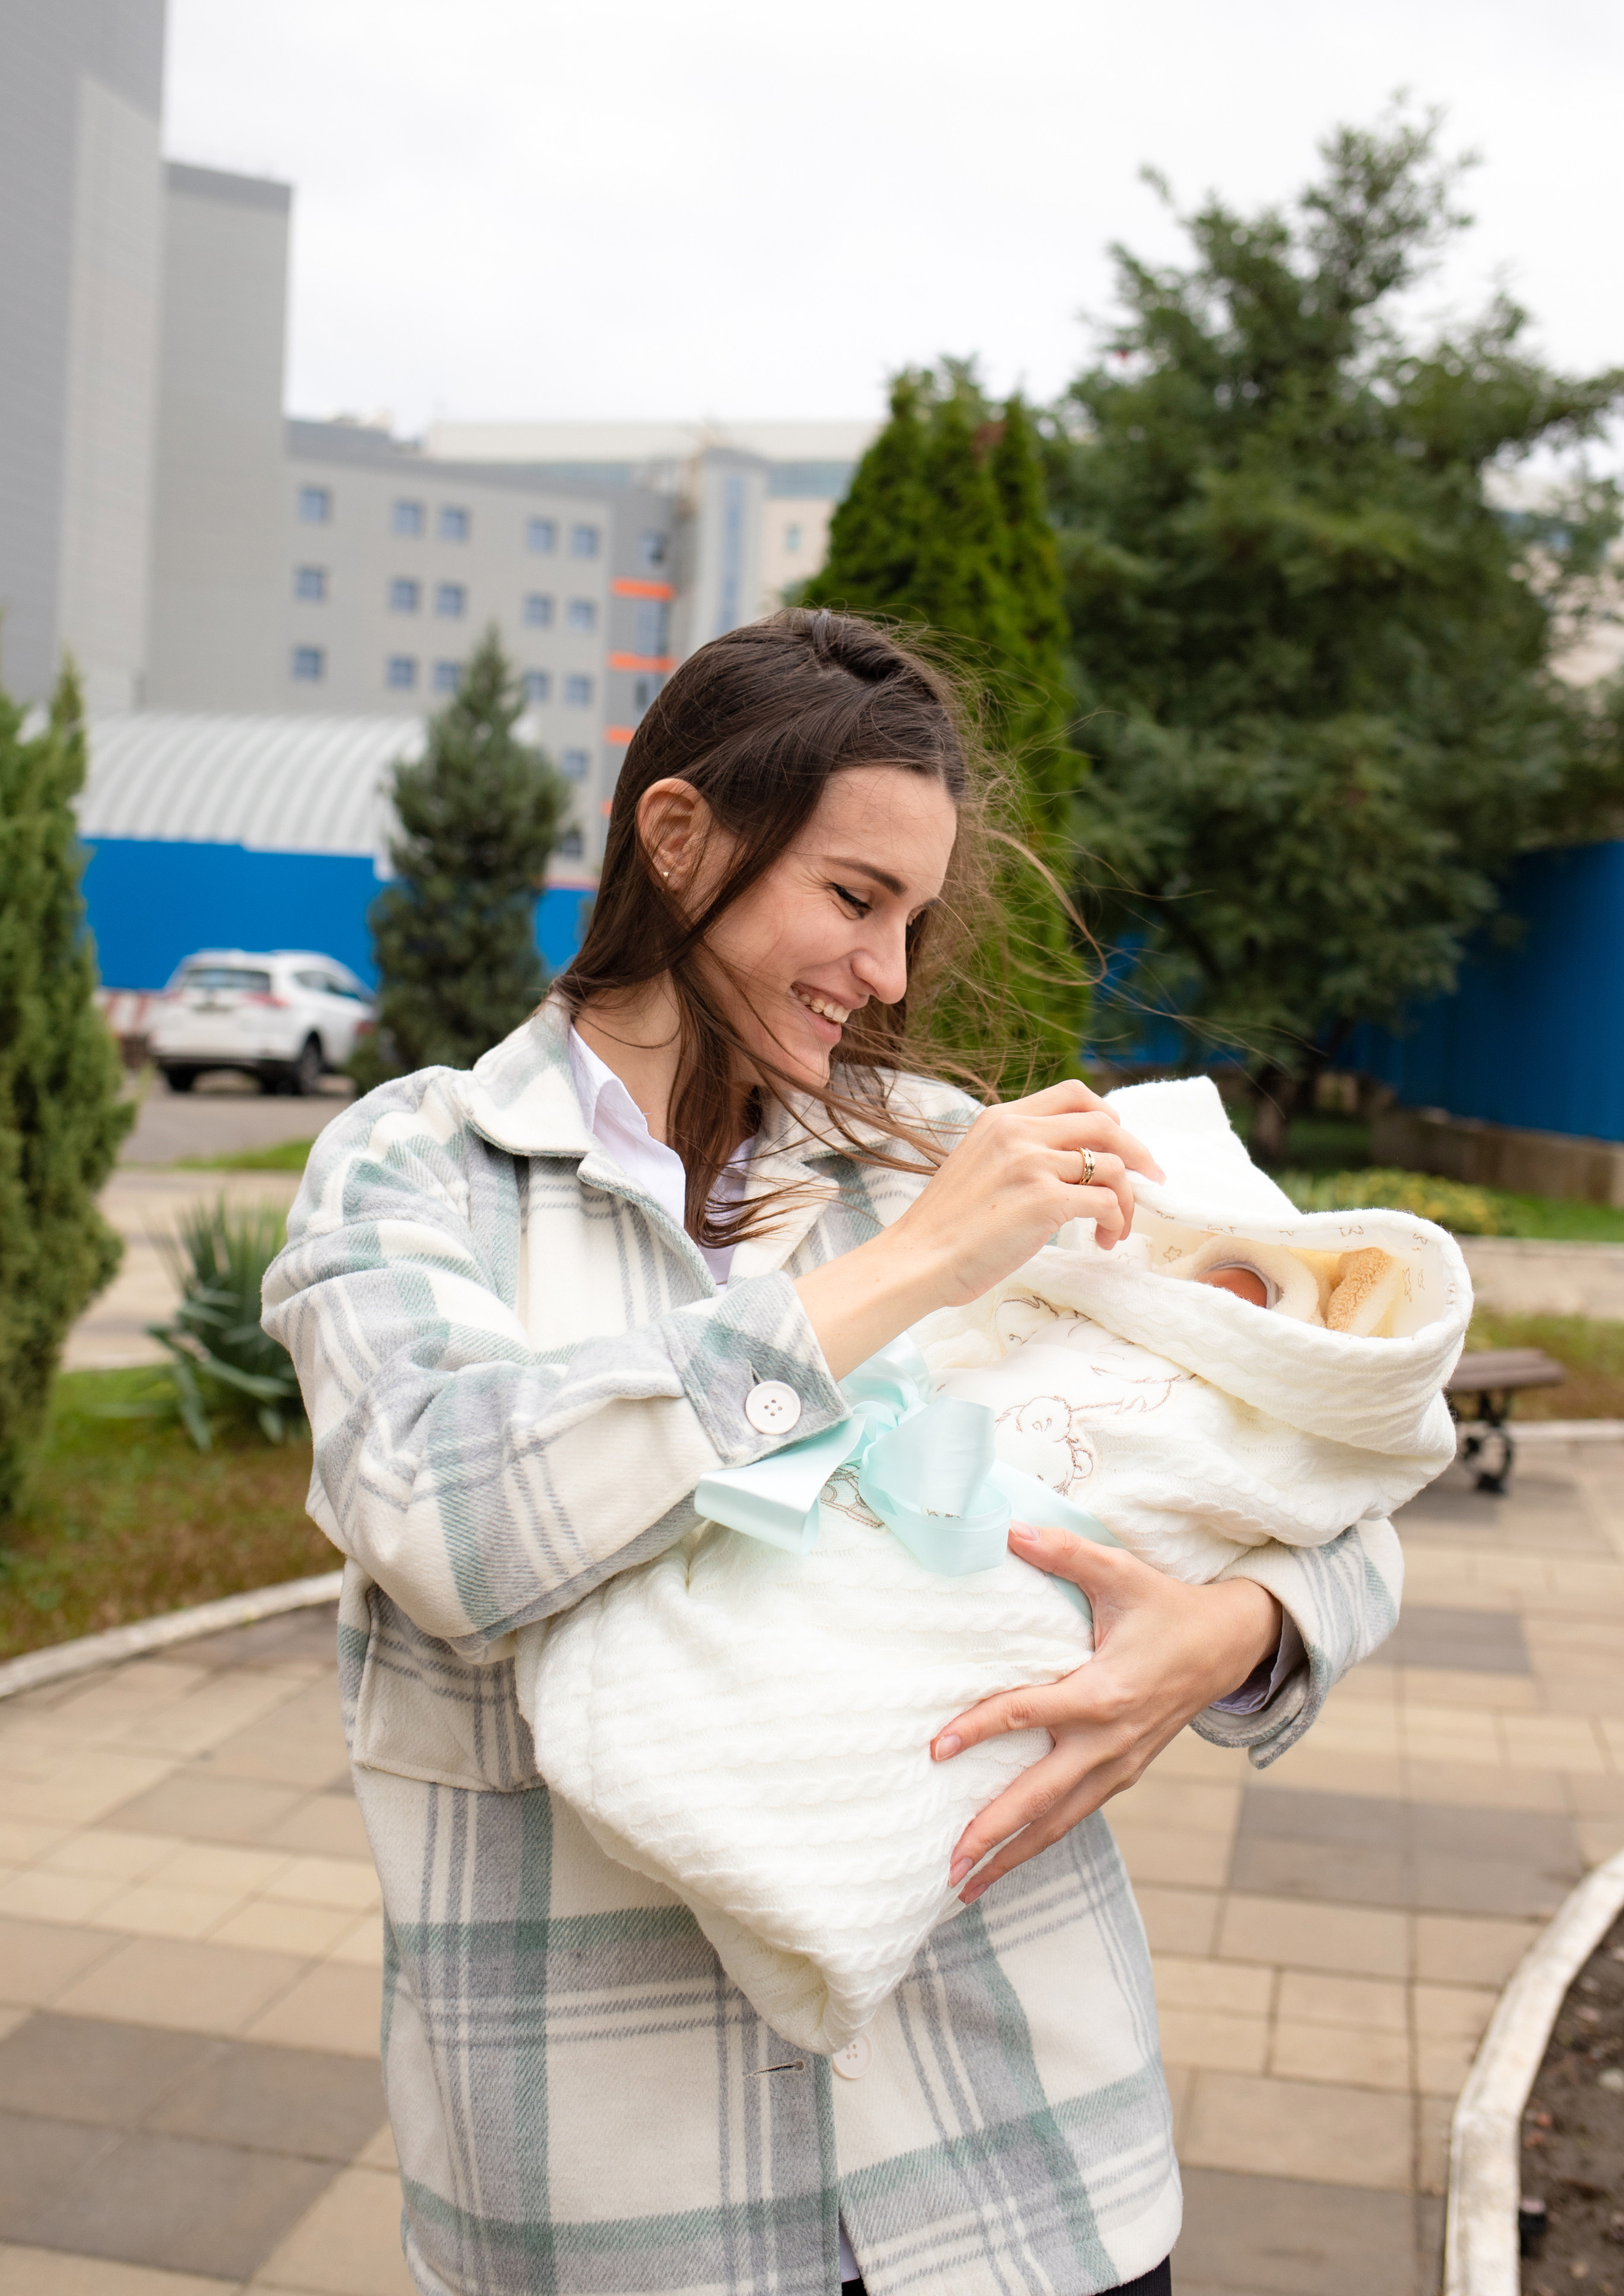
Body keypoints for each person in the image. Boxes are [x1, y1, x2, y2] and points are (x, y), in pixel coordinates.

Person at [263, 608, 1401, 2296]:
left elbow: (1310, 1453)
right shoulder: (415, 1173)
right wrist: (908, 1272)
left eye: (915, 920)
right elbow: (452, 1519)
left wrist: (1224, 1641)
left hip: (1027, 2171)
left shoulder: (945, 1149)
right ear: (681, 836)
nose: (887, 972)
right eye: (854, 899)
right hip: (625, 2214)